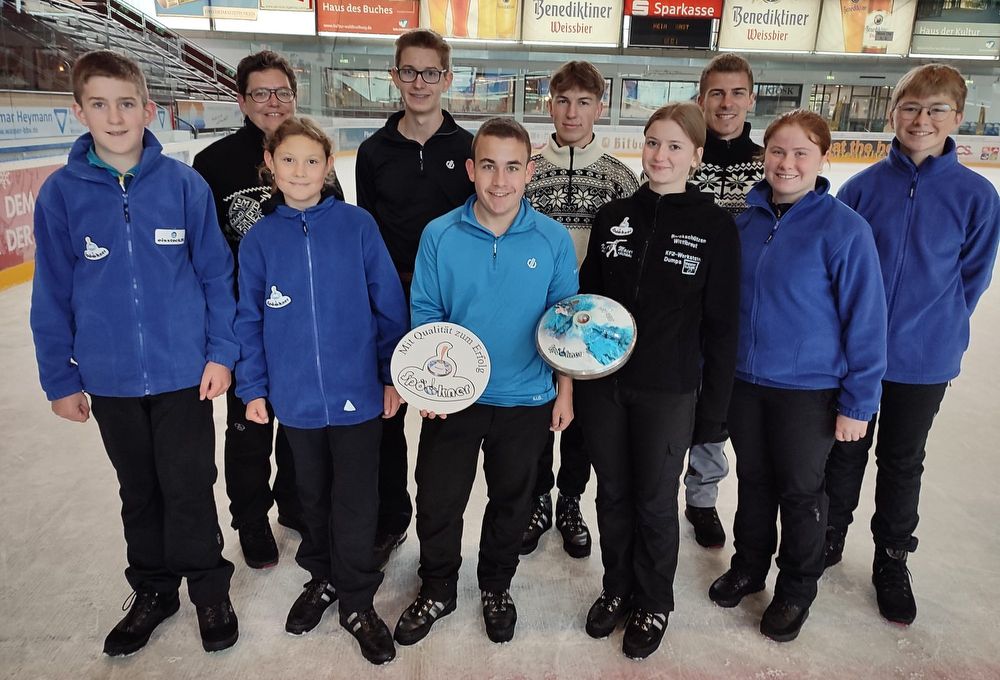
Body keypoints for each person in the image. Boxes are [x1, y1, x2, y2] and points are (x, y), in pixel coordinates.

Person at [30, 50, 239, 656]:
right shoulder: (61, 194)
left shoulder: (183, 185)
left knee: (189, 486)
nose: (115, 116)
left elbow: (215, 275)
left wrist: (221, 353)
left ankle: (209, 590)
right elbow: (52, 291)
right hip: (111, 377)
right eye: (100, 104)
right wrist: (59, 378)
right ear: (79, 111)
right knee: (139, 490)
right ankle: (153, 589)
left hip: (183, 373)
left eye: (126, 104)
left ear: (149, 110)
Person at [823, 64, 1000, 626]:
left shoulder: (976, 196)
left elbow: (971, 277)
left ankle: (892, 557)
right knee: (843, 451)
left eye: (936, 109)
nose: (922, 120)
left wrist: (938, 326)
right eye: (911, 108)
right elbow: (839, 271)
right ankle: (829, 536)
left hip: (924, 360)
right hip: (855, 356)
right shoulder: (861, 189)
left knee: (902, 460)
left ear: (958, 117)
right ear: (893, 114)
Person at [393, 118, 577, 646]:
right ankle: (438, 587)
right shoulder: (440, 234)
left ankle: (496, 585)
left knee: (512, 503)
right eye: (490, 166)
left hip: (527, 398)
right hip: (455, 397)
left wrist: (564, 390)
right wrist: (428, 388)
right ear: (472, 169)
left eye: (513, 167)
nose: (501, 180)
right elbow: (426, 311)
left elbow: (564, 322)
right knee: (438, 499)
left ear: (529, 172)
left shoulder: (553, 238)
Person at [708, 110, 887, 643]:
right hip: (746, 382)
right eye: (778, 151)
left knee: (802, 492)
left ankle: (796, 587)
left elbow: (866, 320)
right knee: (753, 481)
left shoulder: (844, 229)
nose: (787, 163)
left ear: (822, 159)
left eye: (801, 153)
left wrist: (858, 402)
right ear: (764, 155)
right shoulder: (742, 225)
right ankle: (748, 565)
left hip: (809, 391)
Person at [235, 117, 408, 665]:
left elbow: (388, 305)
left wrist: (390, 375)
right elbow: (248, 321)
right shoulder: (260, 240)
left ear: (329, 166)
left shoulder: (357, 226)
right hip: (296, 400)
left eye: (312, 160)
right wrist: (253, 388)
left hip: (358, 395)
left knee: (355, 499)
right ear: (270, 164)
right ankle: (323, 576)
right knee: (310, 497)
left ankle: (356, 599)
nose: (300, 170)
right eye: (288, 159)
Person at [575, 102, 739, 659]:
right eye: (652, 142)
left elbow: (722, 328)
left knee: (653, 500)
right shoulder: (614, 215)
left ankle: (653, 600)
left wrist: (714, 414)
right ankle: (617, 586)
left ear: (696, 156)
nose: (660, 155)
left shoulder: (715, 226)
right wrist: (577, 374)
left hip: (669, 389)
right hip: (606, 386)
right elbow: (587, 303)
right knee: (613, 494)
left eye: (674, 146)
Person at [194, 50, 328, 569]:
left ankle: (294, 502)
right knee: (248, 428)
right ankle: (250, 518)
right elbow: (205, 254)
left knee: (297, 423)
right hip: (245, 322)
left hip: (301, 323)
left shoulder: (310, 155)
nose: (273, 102)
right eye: (261, 93)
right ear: (242, 99)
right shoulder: (214, 164)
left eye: (282, 92)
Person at [356, 28, 476, 569]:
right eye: (409, 71)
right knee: (386, 415)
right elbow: (367, 236)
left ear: (447, 78)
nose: (420, 82)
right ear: (394, 76)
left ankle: (437, 525)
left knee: (442, 416)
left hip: (450, 305)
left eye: (431, 72)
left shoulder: (469, 149)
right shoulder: (373, 152)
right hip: (388, 300)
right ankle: (390, 518)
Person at [521, 60, 640, 560]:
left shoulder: (619, 177)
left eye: (584, 102)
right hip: (532, 318)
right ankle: (537, 499)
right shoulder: (529, 170)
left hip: (592, 324)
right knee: (535, 416)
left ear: (600, 107)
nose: (572, 112)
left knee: (583, 423)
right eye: (564, 101)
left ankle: (570, 499)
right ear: (550, 105)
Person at [684, 53, 766, 549]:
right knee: (680, 405)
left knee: (718, 409)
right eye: (716, 92)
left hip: (744, 316)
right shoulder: (682, 157)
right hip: (685, 314)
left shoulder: (767, 165)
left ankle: (701, 498)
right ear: (702, 99)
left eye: (737, 93)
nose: (726, 103)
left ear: (751, 99)